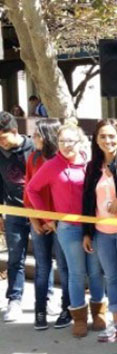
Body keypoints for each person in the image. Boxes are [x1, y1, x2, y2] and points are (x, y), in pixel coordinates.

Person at [27, 120, 106, 338]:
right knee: (76, 272)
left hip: (93, 225)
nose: (66, 145)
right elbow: (32, 189)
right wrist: (47, 217)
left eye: (70, 141)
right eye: (62, 141)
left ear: (80, 142)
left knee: (95, 271)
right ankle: (79, 317)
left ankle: (99, 312)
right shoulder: (52, 165)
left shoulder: (90, 163)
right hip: (68, 228)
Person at [81, 120, 117, 343]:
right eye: (103, 136)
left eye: (112, 136)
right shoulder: (92, 167)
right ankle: (115, 321)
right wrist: (87, 232)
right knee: (111, 277)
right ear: (96, 140)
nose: (108, 141)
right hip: (101, 231)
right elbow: (87, 200)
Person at [23, 118, 71, 330]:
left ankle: (67, 309)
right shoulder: (33, 158)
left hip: (61, 224)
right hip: (40, 224)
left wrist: (54, 221)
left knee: (65, 267)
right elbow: (28, 192)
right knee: (43, 268)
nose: (34, 138)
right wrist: (35, 219)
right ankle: (40, 310)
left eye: (38, 134)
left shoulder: (61, 160)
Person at [0, 111, 34, 323]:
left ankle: (46, 298)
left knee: (44, 256)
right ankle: (14, 299)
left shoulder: (33, 148)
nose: (1, 143)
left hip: (39, 210)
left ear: (15, 131)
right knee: (15, 257)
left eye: (3, 138)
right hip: (12, 210)